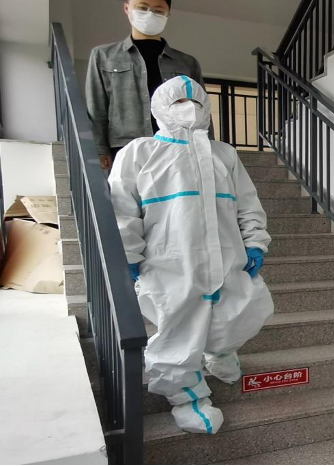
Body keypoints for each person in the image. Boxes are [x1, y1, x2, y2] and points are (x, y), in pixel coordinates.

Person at [109, 76, 274, 435]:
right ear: (159, 109)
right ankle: (187, 397)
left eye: (196, 102)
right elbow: (122, 209)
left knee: (238, 312)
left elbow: (247, 203)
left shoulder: (223, 153)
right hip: (170, 260)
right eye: (178, 103)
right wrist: (129, 254)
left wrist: (255, 242)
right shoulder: (139, 152)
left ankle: (219, 352)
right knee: (178, 329)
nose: (189, 109)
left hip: (226, 254)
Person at [86, 0, 213, 171]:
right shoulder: (103, 56)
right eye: (142, 7)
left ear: (168, 14)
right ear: (127, 8)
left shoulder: (186, 62)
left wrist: (208, 146)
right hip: (125, 147)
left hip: (179, 147)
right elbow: (97, 107)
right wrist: (99, 148)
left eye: (158, 10)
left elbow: (202, 109)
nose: (150, 14)